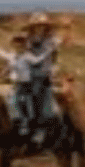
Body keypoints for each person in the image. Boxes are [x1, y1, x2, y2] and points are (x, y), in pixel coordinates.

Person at [21, 12, 73, 141]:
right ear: (32, 27)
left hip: (44, 75)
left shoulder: (51, 40)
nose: (40, 28)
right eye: (37, 26)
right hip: (28, 74)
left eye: (42, 26)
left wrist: (67, 28)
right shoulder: (28, 40)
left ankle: (41, 129)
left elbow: (65, 43)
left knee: (40, 98)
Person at [0, 33, 35, 137]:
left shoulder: (28, 57)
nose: (18, 46)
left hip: (25, 84)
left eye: (21, 44)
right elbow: (7, 64)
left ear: (24, 45)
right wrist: (1, 74)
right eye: (16, 44)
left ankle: (24, 123)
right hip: (15, 83)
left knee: (20, 100)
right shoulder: (13, 56)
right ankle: (14, 121)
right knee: (10, 99)